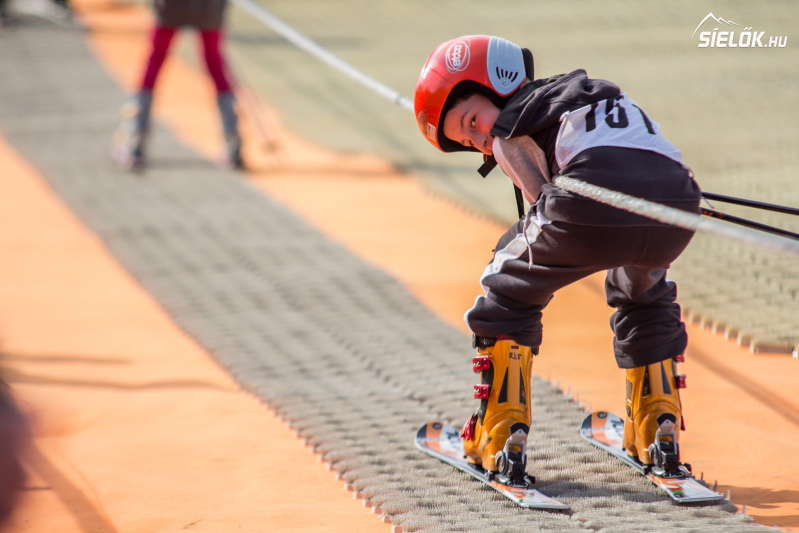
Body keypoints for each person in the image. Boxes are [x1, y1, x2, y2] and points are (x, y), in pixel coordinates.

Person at [414, 35, 700, 482]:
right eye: (468, 141)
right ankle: (655, 426)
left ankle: (500, 434)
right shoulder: (584, 94)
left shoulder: (509, 130)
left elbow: (545, 206)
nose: (480, 140)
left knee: (505, 283)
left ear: (499, 85)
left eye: (472, 122)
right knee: (643, 289)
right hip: (678, 202)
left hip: (589, 202)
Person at [113, 0, 244, 171]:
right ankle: (232, 139)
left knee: (155, 60)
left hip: (172, 7)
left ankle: (135, 137)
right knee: (214, 62)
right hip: (208, 8)